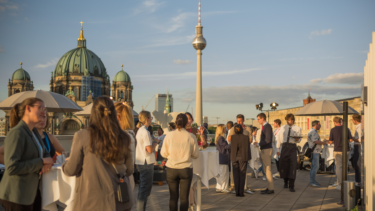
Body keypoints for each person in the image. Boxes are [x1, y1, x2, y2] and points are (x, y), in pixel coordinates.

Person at [63, 97, 134, 211]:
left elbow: (71, 170)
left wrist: (64, 164)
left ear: (94, 113)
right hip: (119, 201)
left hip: (92, 202)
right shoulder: (125, 137)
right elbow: (129, 170)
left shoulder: (82, 136)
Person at [0, 98, 54, 211]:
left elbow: (46, 153)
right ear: (28, 108)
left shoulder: (33, 131)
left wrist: (46, 161)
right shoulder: (17, 133)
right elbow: (12, 167)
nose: (44, 112)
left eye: (44, 108)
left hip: (29, 194)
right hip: (16, 196)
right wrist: (42, 162)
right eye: (40, 108)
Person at [161, 113, 199, 211]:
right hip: (186, 169)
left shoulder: (169, 135)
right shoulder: (191, 136)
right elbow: (196, 155)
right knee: (184, 199)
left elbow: (163, 153)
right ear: (187, 123)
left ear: (175, 122)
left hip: (171, 168)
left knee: (173, 198)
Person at [0, 109, 65, 164]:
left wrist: (53, 161)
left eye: (44, 117)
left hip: (48, 176)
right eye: (38, 117)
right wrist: (22, 167)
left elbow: (63, 154)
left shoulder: (50, 137)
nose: (41, 120)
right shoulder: (24, 136)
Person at [135, 110, 159, 211]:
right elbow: (149, 150)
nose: (151, 120)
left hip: (141, 161)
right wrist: (156, 142)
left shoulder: (140, 130)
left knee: (143, 188)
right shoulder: (145, 132)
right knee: (145, 190)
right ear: (147, 119)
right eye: (150, 118)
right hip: (146, 162)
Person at [227, 114, 252, 194]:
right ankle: (239, 191)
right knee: (239, 174)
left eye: (240, 121)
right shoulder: (233, 129)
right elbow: (229, 139)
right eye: (237, 121)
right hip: (237, 155)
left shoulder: (248, 129)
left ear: (243, 120)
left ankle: (240, 191)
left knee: (240, 173)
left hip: (241, 154)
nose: (239, 122)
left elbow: (250, 140)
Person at [115, 102, 137, 191]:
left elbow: (129, 168)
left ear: (117, 117)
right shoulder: (130, 134)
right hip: (127, 180)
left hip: (121, 181)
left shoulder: (123, 137)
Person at [277, 113, 301, 192]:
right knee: (284, 165)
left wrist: (297, 139)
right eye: (287, 120)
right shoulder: (283, 128)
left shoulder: (297, 128)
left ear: (293, 120)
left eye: (290, 120)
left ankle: (292, 185)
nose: (288, 121)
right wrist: (278, 149)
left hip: (292, 147)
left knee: (293, 165)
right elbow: (280, 138)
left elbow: (299, 139)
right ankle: (285, 181)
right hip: (284, 147)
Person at [328, 117, 353, 191]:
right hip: (346, 150)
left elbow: (331, 141)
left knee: (338, 167)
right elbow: (351, 140)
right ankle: (345, 183)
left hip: (337, 150)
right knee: (345, 166)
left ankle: (340, 184)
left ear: (334, 122)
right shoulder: (346, 129)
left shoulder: (332, 130)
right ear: (340, 121)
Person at [255, 113, 274, 194]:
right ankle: (270, 188)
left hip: (266, 149)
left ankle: (271, 189)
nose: (258, 120)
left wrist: (259, 144)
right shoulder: (265, 126)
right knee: (266, 169)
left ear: (263, 118)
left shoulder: (267, 126)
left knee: (268, 169)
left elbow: (268, 140)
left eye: (258, 119)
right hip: (265, 149)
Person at [308, 120, 327, 187]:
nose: (320, 126)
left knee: (314, 166)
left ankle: (312, 180)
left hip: (316, 151)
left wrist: (322, 142)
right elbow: (316, 141)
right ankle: (312, 181)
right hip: (315, 152)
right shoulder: (312, 132)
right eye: (319, 125)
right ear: (316, 125)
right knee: (316, 166)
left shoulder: (314, 131)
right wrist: (324, 143)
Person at [215, 124, 231, 193]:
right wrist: (233, 144)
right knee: (224, 173)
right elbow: (226, 146)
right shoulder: (221, 138)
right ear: (221, 129)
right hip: (223, 158)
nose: (226, 129)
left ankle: (219, 187)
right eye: (224, 128)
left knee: (221, 173)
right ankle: (223, 187)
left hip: (221, 158)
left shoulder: (219, 138)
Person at [351, 114, 363, 186]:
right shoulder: (358, 127)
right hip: (356, 146)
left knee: (357, 164)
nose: (352, 121)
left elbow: (360, 139)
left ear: (355, 120)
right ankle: (357, 180)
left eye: (352, 119)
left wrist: (352, 138)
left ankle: (358, 181)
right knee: (355, 163)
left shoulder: (359, 128)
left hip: (358, 146)